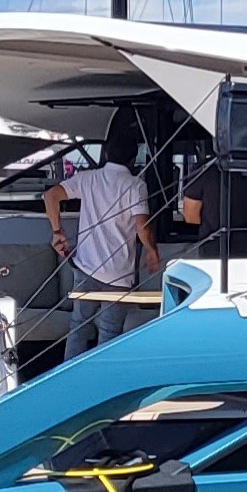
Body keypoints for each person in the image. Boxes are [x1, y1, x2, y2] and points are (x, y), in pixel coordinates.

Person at [44, 149, 158, 356]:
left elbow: (50, 196)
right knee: (110, 333)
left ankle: (69, 378)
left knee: (78, 327)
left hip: (86, 267)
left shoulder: (88, 178)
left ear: (105, 155)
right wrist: (152, 251)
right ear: (133, 159)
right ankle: (101, 382)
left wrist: (57, 232)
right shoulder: (136, 185)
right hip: (119, 275)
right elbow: (142, 226)